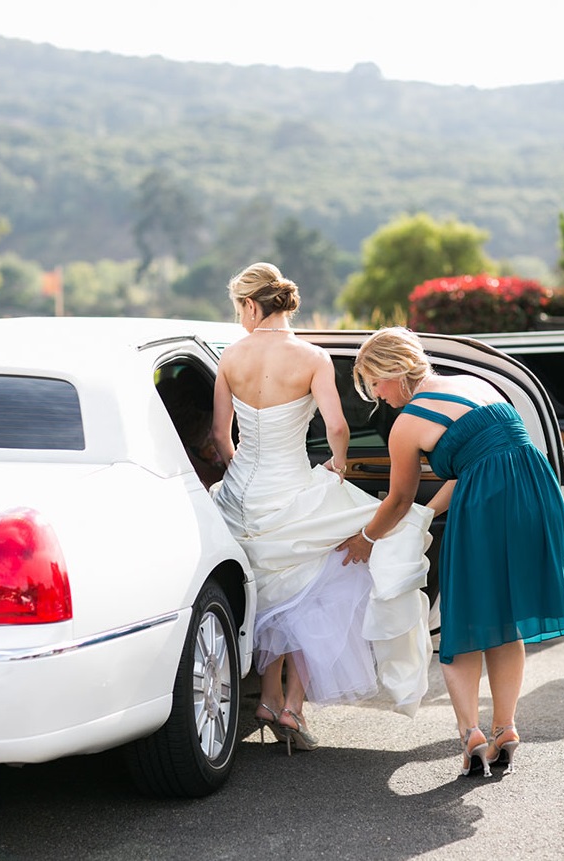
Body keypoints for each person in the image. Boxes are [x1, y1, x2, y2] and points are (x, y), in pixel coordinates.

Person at [210, 264, 434, 755]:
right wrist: (337, 464)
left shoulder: (230, 356)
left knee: (266, 594)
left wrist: (238, 470)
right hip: (295, 489)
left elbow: (221, 434)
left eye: (239, 308)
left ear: (251, 305)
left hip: (243, 492)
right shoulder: (311, 357)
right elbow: (336, 425)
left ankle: (267, 699)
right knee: (324, 585)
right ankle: (292, 703)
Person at [339, 325, 564, 776]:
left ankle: (471, 734)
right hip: (535, 491)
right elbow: (478, 459)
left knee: (463, 619)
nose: (377, 396)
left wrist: (366, 539)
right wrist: (423, 518)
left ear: (392, 371)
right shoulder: (476, 384)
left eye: (373, 384)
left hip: (488, 502)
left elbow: (397, 499)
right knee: (505, 621)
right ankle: (505, 728)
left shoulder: (407, 425)